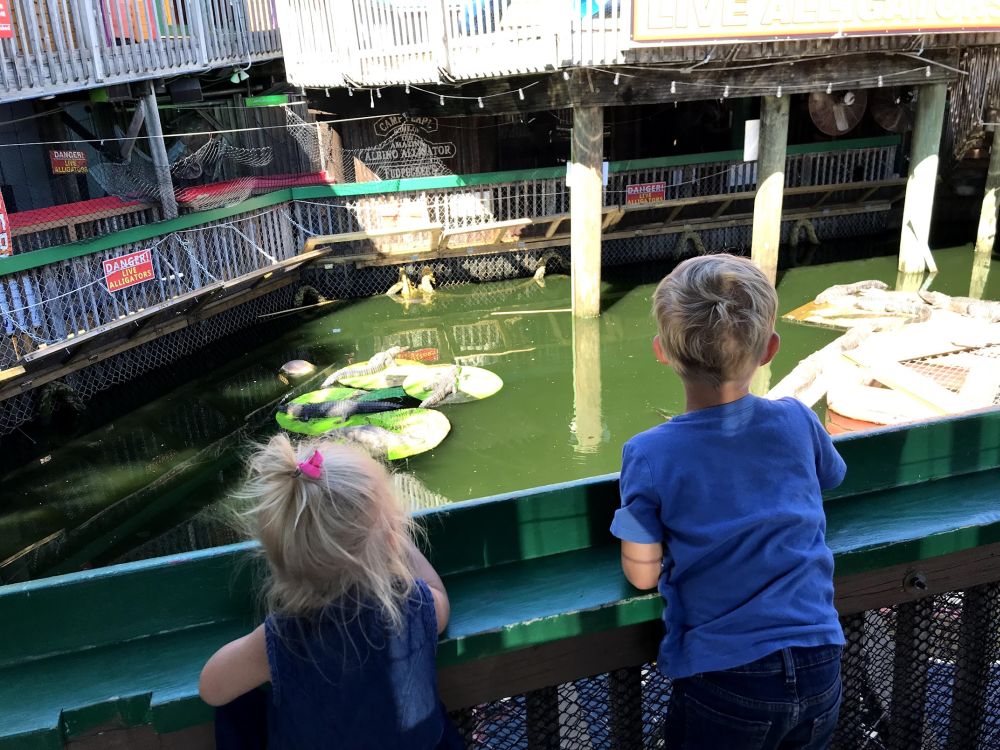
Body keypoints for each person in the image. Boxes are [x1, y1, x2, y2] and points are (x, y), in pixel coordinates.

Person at [611, 254, 846, 749]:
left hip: (725, 676)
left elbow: (642, 573)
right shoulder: (798, 420)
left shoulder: (650, 453)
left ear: (662, 352)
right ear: (769, 350)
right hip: (819, 658)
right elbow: (833, 476)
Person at [199, 434, 464, 750]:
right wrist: (397, 540)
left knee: (237, 706)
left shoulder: (284, 636)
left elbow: (211, 689)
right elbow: (439, 596)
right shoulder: (413, 606)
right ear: (391, 541)